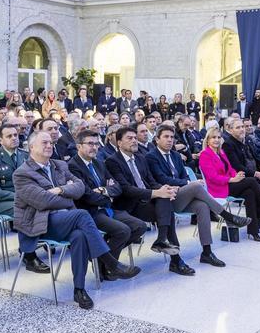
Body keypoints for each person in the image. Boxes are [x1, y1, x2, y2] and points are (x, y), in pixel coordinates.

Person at [13, 130, 140, 309]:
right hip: (42, 222)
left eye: (51, 142)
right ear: (31, 147)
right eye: (44, 143)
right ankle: (110, 262)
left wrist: (60, 190)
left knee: (79, 236)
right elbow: (42, 201)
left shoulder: (60, 165)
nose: (50, 145)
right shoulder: (22, 173)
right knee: (81, 214)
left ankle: (79, 290)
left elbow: (80, 188)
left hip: (67, 218)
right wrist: (68, 192)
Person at [146, 125, 250, 268]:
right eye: (166, 137)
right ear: (157, 139)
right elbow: (161, 178)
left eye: (172, 137)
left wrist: (185, 184)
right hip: (166, 198)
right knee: (195, 185)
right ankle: (228, 217)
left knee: (202, 206)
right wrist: (188, 183)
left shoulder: (175, 155)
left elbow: (182, 175)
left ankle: (207, 252)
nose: (170, 140)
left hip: (181, 195)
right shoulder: (151, 156)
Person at [69, 129, 147, 277]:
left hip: (107, 208)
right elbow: (86, 195)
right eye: (90, 144)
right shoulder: (73, 166)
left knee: (139, 227)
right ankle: (110, 266)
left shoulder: (99, 163)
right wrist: (107, 193)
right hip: (89, 212)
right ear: (79, 146)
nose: (94, 147)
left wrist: (103, 191)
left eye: (97, 144)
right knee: (122, 230)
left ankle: (102, 261)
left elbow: (117, 187)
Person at [105, 126, 184, 259]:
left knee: (165, 200)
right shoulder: (112, 161)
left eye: (135, 138)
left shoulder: (140, 158)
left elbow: (151, 181)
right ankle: (172, 255)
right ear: (119, 143)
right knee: (167, 209)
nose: (134, 141)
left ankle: (163, 241)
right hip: (129, 205)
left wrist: (165, 189)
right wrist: (156, 193)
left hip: (145, 201)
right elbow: (126, 189)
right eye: (129, 138)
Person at [201, 127, 260, 242]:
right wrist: (231, 179)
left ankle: (253, 231)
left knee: (250, 193)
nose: (216, 140)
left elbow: (230, 169)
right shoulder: (205, 155)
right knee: (252, 181)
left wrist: (237, 175)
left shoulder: (221, 153)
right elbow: (212, 177)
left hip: (230, 183)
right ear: (207, 140)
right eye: (213, 137)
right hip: (219, 188)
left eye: (219, 137)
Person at [0, 124, 30, 261]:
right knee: (25, 210)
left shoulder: (25, 155)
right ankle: (28, 254)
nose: (14, 138)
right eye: (9, 136)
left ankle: (43, 238)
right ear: (0, 140)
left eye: (15, 135)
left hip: (23, 197)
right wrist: (19, 196)